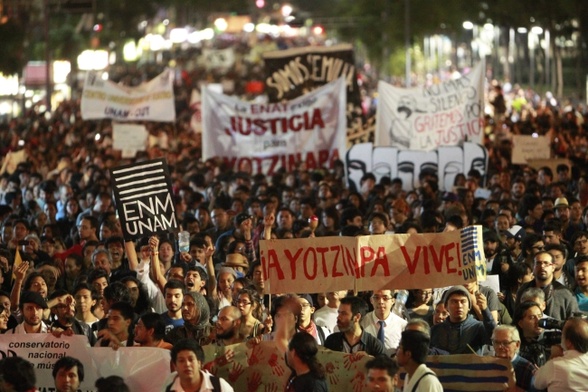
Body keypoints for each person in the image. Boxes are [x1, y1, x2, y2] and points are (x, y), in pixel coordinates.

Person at [430, 285, 495, 354]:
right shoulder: (435, 330)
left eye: (463, 301)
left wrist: (485, 310)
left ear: (469, 306)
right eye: (454, 302)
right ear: (446, 306)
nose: (459, 306)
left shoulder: (478, 327)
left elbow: (494, 338)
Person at [515, 251, 579, 321]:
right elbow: (517, 318)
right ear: (533, 267)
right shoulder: (524, 290)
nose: (542, 266)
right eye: (538, 263)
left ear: (553, 267)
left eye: (546, 263)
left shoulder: (565, 293)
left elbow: (574, 322)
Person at [534, 317, 588, 391]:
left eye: (563, 334)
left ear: (569, 343)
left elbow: (537, 383)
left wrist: (553, 356)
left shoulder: (555, 366)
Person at [165, 338, 234, 392]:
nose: (187, 364)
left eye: (191, 359)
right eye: (181, 360)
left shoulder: (219, 386)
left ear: (200, 363)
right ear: (175, 366)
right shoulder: (171, 389)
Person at [491, 325, 537, 392]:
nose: (500, 347)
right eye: (496, 342)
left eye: (505, 343)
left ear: (517, 344)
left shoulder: (527, 369)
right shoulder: (488, 365)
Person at [361, 289, 407, 355]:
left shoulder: (402, 325)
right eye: (376, 298)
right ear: (371, 300)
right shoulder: (362, 322)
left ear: (393, 301)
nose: (381, 302)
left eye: (385, 298)